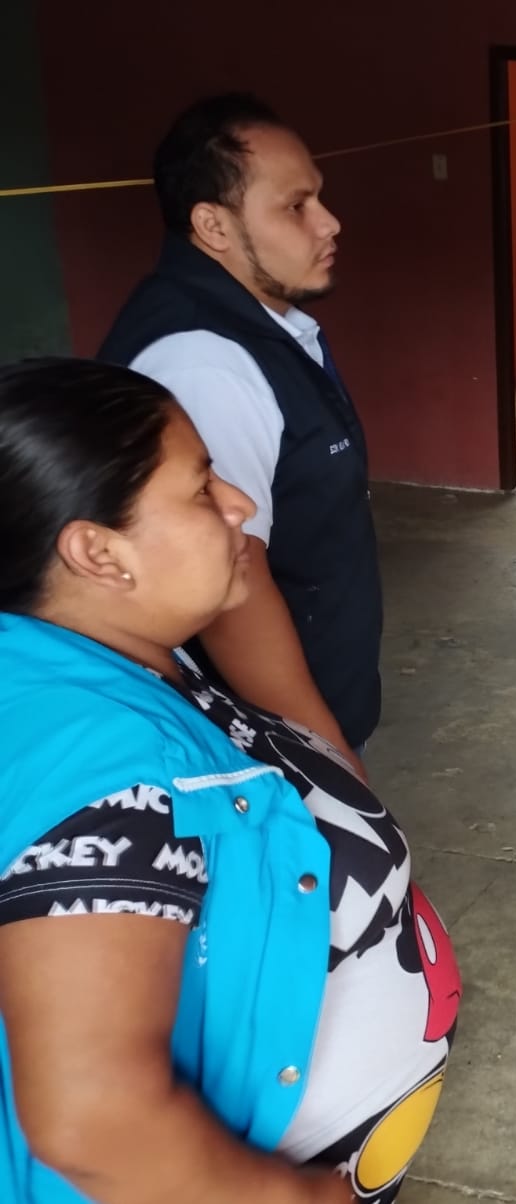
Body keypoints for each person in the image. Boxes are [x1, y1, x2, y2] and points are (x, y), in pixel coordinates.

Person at [0, 359, 459, 1204]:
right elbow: (94, 1121)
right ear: (99, 553)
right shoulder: (112, 769)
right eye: (201, 487)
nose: (240, 503)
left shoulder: (126, 661)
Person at [100, 93, 380, 776]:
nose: (329, 222)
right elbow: (233, 587)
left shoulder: (259, 326)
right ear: (213, 226)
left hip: (301, 710)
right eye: (296, 206)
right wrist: (328, 764)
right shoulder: (205, 361)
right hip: (264, 742)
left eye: (319, 198)